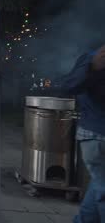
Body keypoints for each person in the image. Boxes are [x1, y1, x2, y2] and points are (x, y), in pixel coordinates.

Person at [61, 45, 105, 223]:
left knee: (99, 186)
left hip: (96, 136)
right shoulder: (92, 58)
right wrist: (93, 68)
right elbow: (70, 85)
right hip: (97, 136)